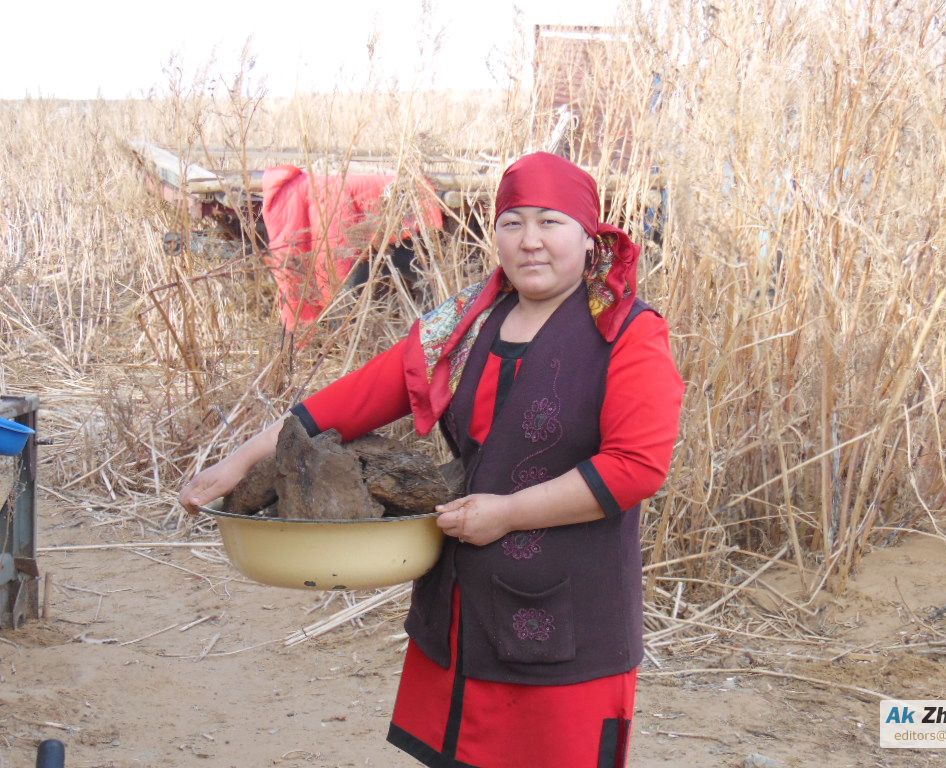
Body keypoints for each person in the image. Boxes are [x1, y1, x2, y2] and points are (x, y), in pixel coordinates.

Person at [180, 152, 685, 768]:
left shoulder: (628, 331)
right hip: (461, 608)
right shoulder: (465, 323)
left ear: (588, 235)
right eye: (512, 223)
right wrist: (241, 461)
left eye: (550, 222)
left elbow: (636, 466)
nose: (529, 241)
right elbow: (355, 399)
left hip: (572, 619)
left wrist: (508, 514)